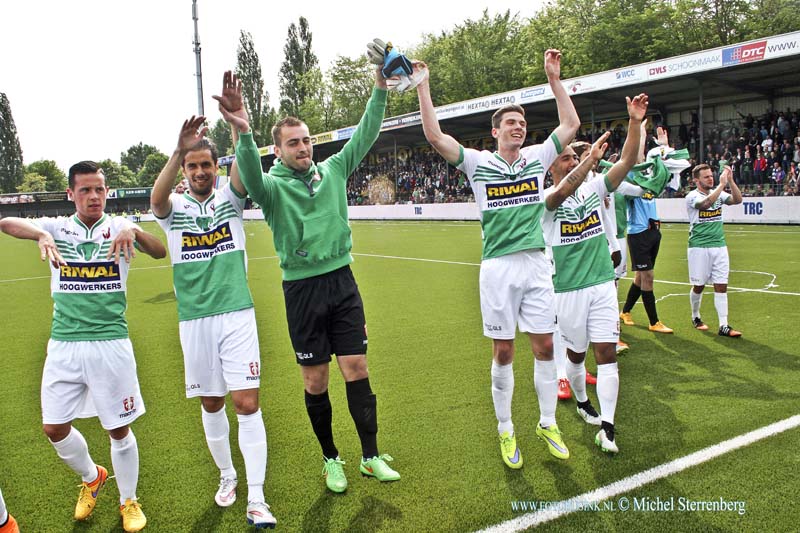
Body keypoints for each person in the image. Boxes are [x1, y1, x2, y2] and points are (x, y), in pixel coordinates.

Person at [218, 67, 400, 494]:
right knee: (316, 381)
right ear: (278, 150)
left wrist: (379, 89)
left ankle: (370, 456)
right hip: (301, 291)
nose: (303, 148)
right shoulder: (270, 189)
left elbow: (365, 134)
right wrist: (243, 129)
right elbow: (246, 167)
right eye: (293, 143)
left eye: (306, 140)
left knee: (357, 367)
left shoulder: (333, 169)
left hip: (342, 281)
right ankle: (331, 458)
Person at [414, 50, 581, 469]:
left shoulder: (539, 157)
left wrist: (554, 80)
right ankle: (506, 429)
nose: (519, 126)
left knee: (544, 345)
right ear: (495, 131)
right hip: (498, 268)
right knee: (504, 351)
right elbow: (436, 137)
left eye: (523, 123)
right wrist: (423, 86)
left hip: (536, 264)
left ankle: (546, 423)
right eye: (511, 122)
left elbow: (571, 125)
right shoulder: (477, 163)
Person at [0, 161, 166, 533]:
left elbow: (159, 252)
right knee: (54, 427)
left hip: (110, 341)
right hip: (64, 344)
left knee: (118, 429)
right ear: (71, 194)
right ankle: (93, 477)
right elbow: (6, 223)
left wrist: (134, 230)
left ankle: (129, 500)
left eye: (100, 190)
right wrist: (39, 236)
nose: (94, 197)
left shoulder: (119, 227)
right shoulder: (56, 227)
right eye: (86, 190)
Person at [150, 114, 276, 528]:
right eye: (193, 166)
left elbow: (247, 167)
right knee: (211, 402)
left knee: (247, 403)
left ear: (216, 168)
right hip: (195, 320)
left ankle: (256, 498)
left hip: (237, 314)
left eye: (207, 165)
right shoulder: (174, 209)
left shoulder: (232, 198)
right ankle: (227, 476)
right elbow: (156, 200)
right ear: (185, 170)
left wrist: (242, 125)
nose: (201, 171)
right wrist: (178, 147)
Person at [543, 94, 648, 453]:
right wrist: (587, 163)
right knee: (575, 355)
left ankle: (608, 427)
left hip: (602, 284)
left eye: (576, 156)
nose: (574, 160)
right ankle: (582, 399)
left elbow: (628, 161)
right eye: (567, 157)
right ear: (552, 166)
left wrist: (634, 123)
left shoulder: (594, 186)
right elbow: (561, 195)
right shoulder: (545, 200)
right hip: (568, 291)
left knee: (607, 354)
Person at [618, 126, 674, 334]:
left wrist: (663, 147)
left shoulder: (651, 178)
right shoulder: (632, 175)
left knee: (641, 277)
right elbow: (637, 155)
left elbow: (665, 164)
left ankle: (625, 312)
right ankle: (654, 321)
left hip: (653, 231)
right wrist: (639, 133)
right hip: (638, 232)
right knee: (648, 276)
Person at [686, 163, 743, 337]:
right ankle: (696, 316)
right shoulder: (692, 196)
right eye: (706, 177)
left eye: (711, 175)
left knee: (721, 285)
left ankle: (723, 325)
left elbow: (737, 200)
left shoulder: (719, 193)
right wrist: (721, 185)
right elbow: (705, 205)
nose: (710, 178)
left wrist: (731, 181)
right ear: (696, 180)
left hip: (719, 245)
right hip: (699, 247)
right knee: (699, 285)